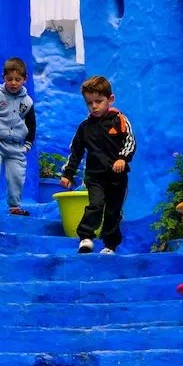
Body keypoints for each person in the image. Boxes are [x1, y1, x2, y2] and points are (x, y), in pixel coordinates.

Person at [59, 75, 136, 254]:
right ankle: (86, 237)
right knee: (96, 204)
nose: (94, 106)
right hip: (95, 177)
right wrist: (68, 174)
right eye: (89, 103)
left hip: (117, 177)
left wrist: (122, 158)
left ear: (110, 99)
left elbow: (130, 141)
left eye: (99, 101)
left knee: (113, 211)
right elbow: (76, 152)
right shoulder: (84, 127)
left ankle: (110, 245)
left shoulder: (119, 120)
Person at [0, 57, 37, 217]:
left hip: (16, 146)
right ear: (3, 77)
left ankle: (15, 206)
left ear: (25, 79)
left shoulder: (28, 102)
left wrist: (28, 144)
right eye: (9, 79)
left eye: (18, 79)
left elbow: (31, 124)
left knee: (17, 175)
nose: (13, 83)